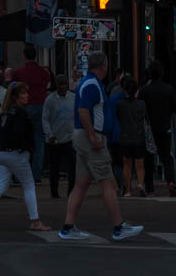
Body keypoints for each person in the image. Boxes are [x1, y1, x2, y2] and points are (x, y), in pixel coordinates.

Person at [59, 51, 144, 242]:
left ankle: (68, 226)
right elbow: (83, 111)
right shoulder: (92, 84)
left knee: (81, 183)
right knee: (108, 182)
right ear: (103, 66)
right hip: (91, 138)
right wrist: (93, 136)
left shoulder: (88, 82)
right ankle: (118, 226)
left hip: (84, 137)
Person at [0, 82, 51, 232]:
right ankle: (35, 221)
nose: (27, 96)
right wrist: (28, 149)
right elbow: (21, 134)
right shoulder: (21, 113)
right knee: (29, 185)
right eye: (23, 93)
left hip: (1, 153)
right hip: (16, 154)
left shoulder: (5, 112)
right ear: (16, 97)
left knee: (0, 186)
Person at [13, 44, 53, 183]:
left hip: (26, 106)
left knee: (21, 140)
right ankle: (36, 174)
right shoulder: (43, 73)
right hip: (41, 105)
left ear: (24, 55)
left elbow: (14, 88)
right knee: (39, 141)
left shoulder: (19, 72)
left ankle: (22, 174)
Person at [140, 61, 176, 197]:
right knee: (167, 157)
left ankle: (150, 188)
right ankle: (171, 181)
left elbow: (141, 109)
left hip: (149, 129)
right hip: (164, 127)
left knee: (148, 159)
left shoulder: (145, 90)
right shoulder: (168, 89)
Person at [42, 74, 76, 198]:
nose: (62, 87)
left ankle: (71, 192)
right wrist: (50, 134)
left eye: (64, 84)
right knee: (54, 168)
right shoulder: (50, 100)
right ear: (56, 85)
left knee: (73, 164)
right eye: (60, 84)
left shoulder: (74, 98)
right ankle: (54, 192)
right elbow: (45, 119)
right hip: (54, 139)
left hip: (70, 138)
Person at [115, 77, 149, 197]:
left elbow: (118, 118)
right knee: (140, 165)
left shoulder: (120, 104)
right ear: (136, 90)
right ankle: (140, 184)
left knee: (127, 165)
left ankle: (128, 190)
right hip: (138, 137)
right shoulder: (141, 104)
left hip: (124, 137)